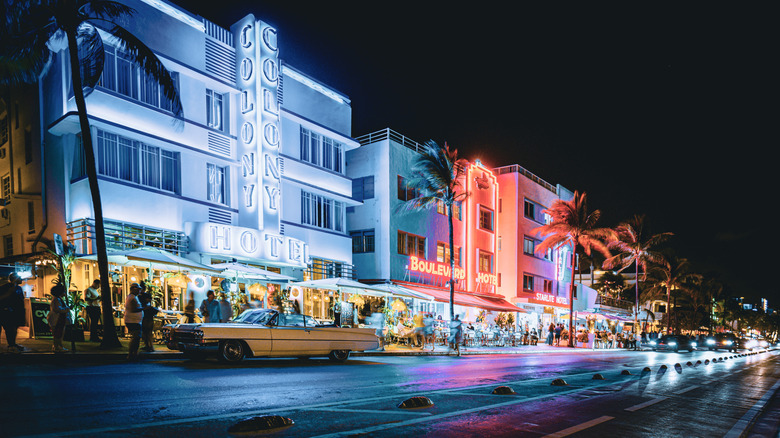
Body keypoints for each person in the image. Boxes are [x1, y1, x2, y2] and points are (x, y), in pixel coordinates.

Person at [0, 272, 26, 353]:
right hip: (6, 311)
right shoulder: (5, 287)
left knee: (14, 329)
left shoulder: (19, 288)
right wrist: (9, 293)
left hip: (17, 312)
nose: (21, 279)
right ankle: (11, 345)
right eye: (19, 278)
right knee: (10, 328)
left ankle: (13, 343)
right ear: (15, 279)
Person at [124, 283, 145, 361]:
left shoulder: (133, 297)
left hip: (135, 320)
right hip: (133, 321)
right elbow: (134, 309)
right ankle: (132, 354)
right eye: (138, 289)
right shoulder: (132, 298)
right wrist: (144, 308)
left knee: (136, 337)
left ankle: (134, 353)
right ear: (133, 289)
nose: (140, 290)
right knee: (136, 337)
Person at [49, 284, 71, 352]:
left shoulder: (58, 299)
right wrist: (67, 308)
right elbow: (58, 309)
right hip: (58, 320)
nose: (64, 293)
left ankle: (58, 346)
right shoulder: (57, 299)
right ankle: (58, 346)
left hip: (59, 319)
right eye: (63, 291)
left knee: (58, 334)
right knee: (58, 334)